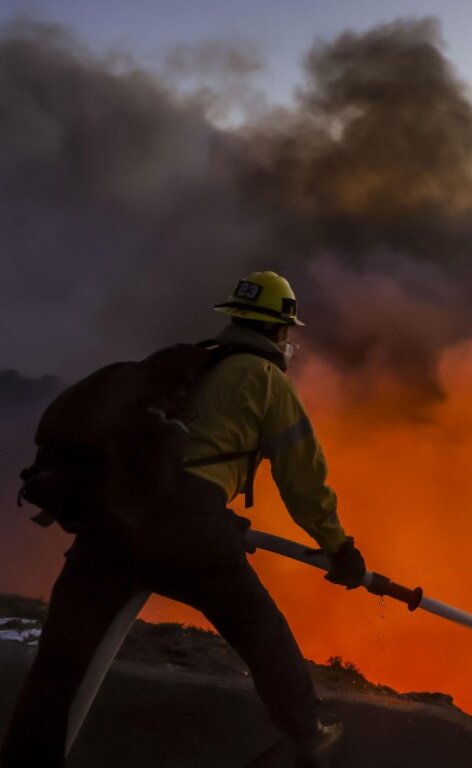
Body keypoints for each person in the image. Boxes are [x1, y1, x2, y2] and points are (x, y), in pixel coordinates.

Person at [1, 271, 366, 768]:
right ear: (280, 332)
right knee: (260, 628)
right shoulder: (265, 380)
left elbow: (179, 461)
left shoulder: (183, 367)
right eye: (288, 333)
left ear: (234, 319)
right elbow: (303, 479)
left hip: (110, 526)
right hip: (186, 530)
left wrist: (221, 517)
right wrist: (339, 547)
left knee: (58, 668)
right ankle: (311, 729)